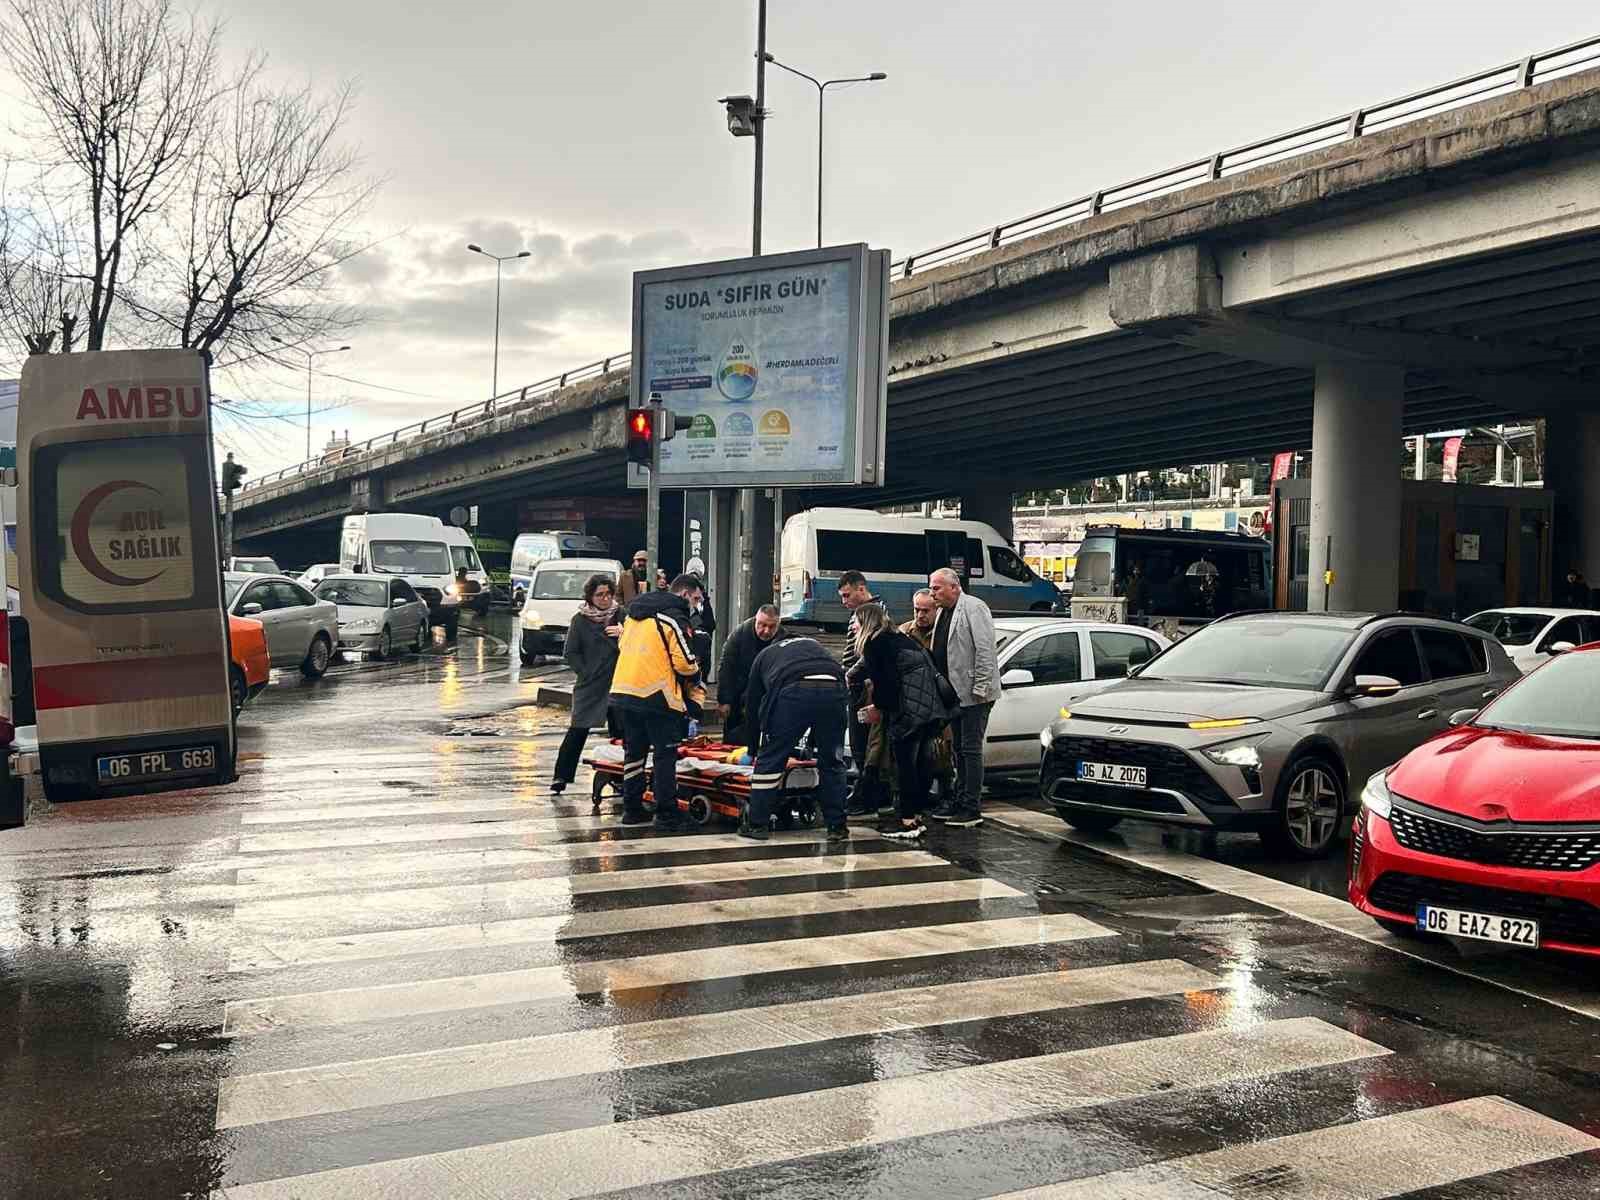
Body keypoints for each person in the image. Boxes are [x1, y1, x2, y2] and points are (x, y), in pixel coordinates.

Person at [609, 573, 707, 832]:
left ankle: (632, 808)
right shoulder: (672, 617)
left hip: (623, 691)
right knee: (665, 755)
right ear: (684, 594)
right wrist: (696, 675)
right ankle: (666, 813)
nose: (697, 604)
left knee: (635, 753)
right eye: (696, 598)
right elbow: (685, 663)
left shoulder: (633, 615)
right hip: (658, 695)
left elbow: (622, 646)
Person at [849, 603, 954, 838]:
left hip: (907, 712)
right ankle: (915, 815)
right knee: (920, 765)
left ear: (866, 622)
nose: (853, 627)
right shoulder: (899, 637)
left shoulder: (875, 644)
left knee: (905, 766)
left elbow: (886, 683)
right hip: (929, 709)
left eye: (856, 621)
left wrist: (879, 708)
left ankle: (907, 821)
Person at [740, 635, 848, 845]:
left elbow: (752, 708)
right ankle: (837, 826)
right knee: (833, 761)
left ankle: (757, 824)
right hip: (834, 688)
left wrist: (753, 749)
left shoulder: (764, 656)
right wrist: (812, 745)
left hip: (794, 690)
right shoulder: (813, 644)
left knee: (772, 758)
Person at [927, 566, 998, 828]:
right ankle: (960, 799)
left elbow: (985, 650)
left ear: (954, 587)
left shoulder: (974, 607)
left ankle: (971, 806)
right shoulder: (944, 611)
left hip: (973, 693)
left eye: (937, 588)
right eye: (932, 588)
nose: (932, 593)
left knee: (970, 749)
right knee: (958, 749)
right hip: (953, 694)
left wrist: (980, 687)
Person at [551, 574, 623, 794]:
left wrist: (623, 633)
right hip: (591, 683)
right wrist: (586, 672)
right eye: (599, 595)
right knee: (578, 729)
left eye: (608, 594)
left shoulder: (622, 616)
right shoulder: (580, 620)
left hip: (618, 681)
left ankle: (620, 777)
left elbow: (638, 643)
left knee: (621, 733)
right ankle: (561, 776)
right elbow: (570, 653)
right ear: (590, 597)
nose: (604, 598)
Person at [837, 570, 892, 818]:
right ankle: (868, 791)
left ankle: (872, 794)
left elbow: (869, 652)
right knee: (862, 743)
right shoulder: (859, 613)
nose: (844, 601)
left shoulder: (874, 612)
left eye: (847, 595)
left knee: (866, 743)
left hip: (865, 688)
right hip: (857, 685)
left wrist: (850, 675)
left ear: (861, 588)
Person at [899, 590, 956, 804]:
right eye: (917, 610)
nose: (920, 615)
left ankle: (946, 791)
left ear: (936, 610)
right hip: (913, 704)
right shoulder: (904, 632)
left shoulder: (943, 634)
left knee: (942, 751)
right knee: (916, 754)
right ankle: (917, 795)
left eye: (925, 610)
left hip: (939, 701)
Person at [717, 604, 781, 743]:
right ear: (755, 620)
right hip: (739, 691)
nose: (766, 631)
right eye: (762, 625)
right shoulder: (739, 635)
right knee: (734, 736)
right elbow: (726, 668)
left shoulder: (782, 638)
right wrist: (724, 700)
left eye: (772, 627)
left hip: (766, 694)